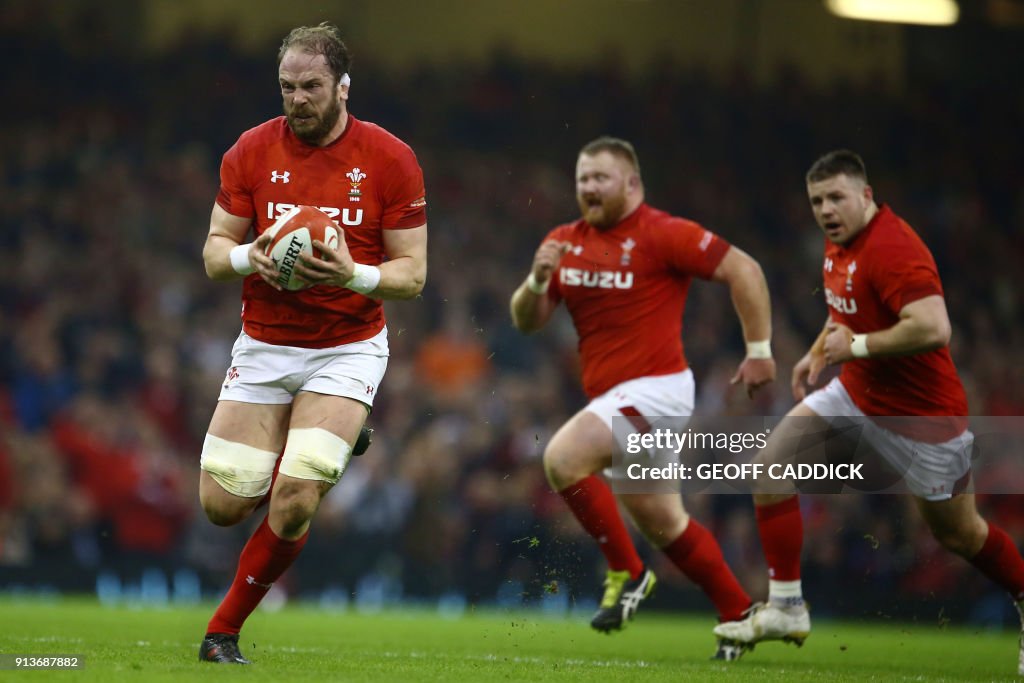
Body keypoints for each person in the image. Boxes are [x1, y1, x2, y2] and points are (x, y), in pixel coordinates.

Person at [712, 150, 1024, 674]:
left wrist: (853, 349)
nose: (826, 209)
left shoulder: (895, 248)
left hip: (924, 420)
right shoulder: (838, 246)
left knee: (959, 534)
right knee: (770, 468)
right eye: (817, 201)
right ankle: (787, 607)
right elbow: (844, 312)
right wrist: (817, 353)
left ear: (866, 195)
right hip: (857, 397)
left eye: (837, 197)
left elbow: (933, 327)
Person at [197, 23, 428, 664]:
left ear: (343, 87)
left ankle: (222, 633)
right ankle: (334, 435)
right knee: (222, 505)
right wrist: (250, 257)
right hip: (266, 345)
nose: (297, 99)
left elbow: (413, 275)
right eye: (287, 87)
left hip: (347, 346)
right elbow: (215, 253)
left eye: (311, 87)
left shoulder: (390, 159)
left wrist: (352, 274)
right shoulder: (249, 150)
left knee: (296, 496)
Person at [510, 136, 776, 660]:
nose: (588, 187)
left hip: (658, 391)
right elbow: (527, 321)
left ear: (632, 184)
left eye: (600, 178)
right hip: (616, 398)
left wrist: (760, 349)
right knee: (667, 526)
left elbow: (743, 268)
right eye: (583, 178)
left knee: (562, 459)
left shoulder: (663, 232)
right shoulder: (564, 241)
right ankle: (739, 613)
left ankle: (627, 573)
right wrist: (537, 280)